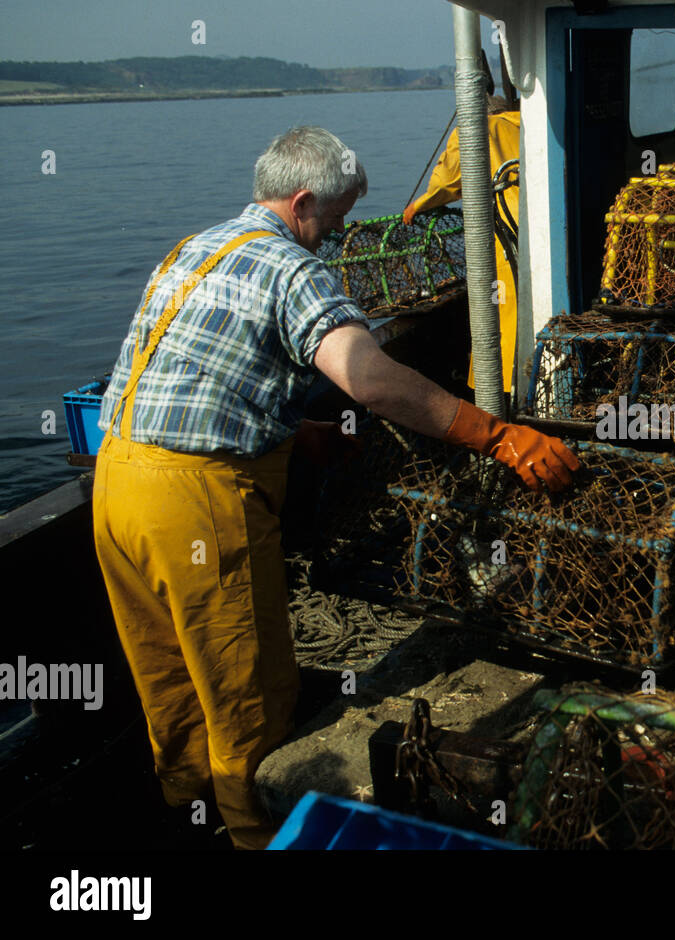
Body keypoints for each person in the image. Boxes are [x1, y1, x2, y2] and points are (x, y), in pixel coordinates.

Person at [92, 125, 577, 850]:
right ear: (302, 202)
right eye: (337, 217)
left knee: (168, 672)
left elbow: (197, 377)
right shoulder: (293, 270)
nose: (337, 235)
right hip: (195, 505)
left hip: (117, 483)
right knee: (246, 687)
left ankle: (187, 807)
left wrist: (298, 434)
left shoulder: (194, 248)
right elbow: (371, 380)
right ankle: (258, 833)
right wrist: (499, 436)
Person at [404, 94, 521, 396]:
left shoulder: (476, 128)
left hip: (506, 231)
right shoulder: (528, 124)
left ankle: (505, 390)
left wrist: (419, 205)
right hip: (540, 222)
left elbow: (446, 181)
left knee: (503, 312)